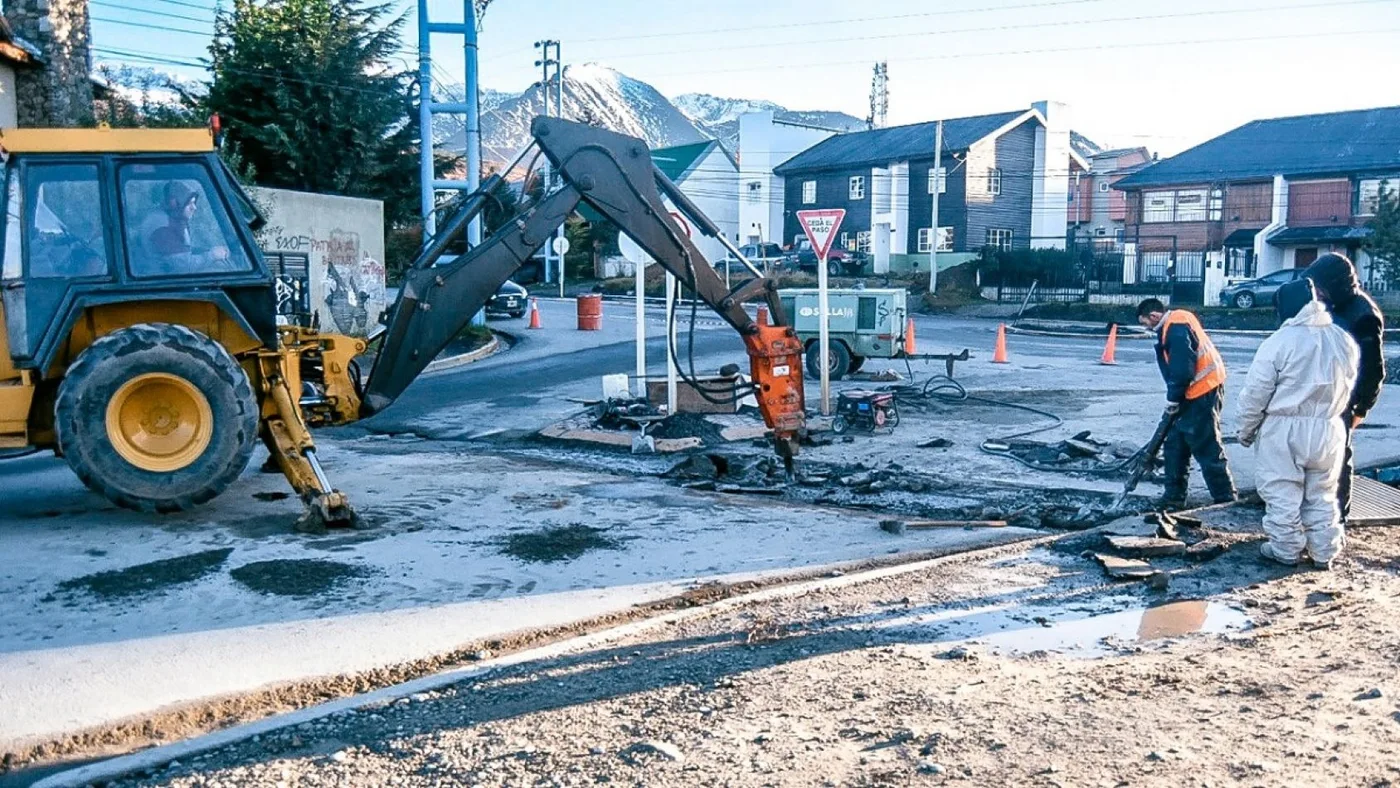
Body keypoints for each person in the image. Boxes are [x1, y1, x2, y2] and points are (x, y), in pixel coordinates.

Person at [1236, 279, 1358, 569]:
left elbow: (1256, 393)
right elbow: (1351, 382)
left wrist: (1246, 430)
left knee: (1282, 492)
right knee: (1323, 493)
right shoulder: (1342, 339)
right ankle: (1324, 551)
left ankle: (1286, 549)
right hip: (1329, 427)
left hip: (1284, 429)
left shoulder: (1279, 343)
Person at [1304, 253, 1386, 523]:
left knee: (1338, 458)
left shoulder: (1363, 315)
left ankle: (1337, 518)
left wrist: (1361, 407)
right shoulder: (1332, 306)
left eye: (1320, 287)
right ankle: (1313, 514)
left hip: (1343, 398)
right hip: (1320, 393)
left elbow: (1373, 369)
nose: (1317, 293)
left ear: (1336, 285)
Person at [1137, 297, 1237, 510]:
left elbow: (1182, 370)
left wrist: (1173, 399)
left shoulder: (1176, 326)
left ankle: (1226, 499)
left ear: (1154, 316)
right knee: (1174, 443)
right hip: (1192, 392)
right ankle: (1173, 496)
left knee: (1206, 445)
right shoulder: (1179, 319)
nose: (1146, 327)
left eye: (1145, 323)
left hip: (1202, 391)